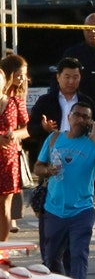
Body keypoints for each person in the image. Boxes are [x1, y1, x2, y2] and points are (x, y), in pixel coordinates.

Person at [33, 101, 95, 278]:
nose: (80, 119)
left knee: (79, 255)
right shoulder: (54, 138)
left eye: (85, 117)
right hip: (54, 210)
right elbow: (37, 167)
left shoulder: (94, 142)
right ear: (69, 117)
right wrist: (48, 170)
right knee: (52, 258)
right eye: (77, 115)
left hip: (82, 210)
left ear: (91, 122)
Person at [27, 57, 95, 263]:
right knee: (50, 226)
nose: (71, 81)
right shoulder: (46, 101)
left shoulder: (86, 103)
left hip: (79, 165)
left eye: (75, 77)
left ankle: (70, 265)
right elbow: (31, 130)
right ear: (58, 77)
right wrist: (44, 129)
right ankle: (49, 265)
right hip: (52, 164)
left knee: (76, 230)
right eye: (67, 76)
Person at [0, 55, 30, 235]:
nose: (22, 79)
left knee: (5, 206)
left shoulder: (16, 101)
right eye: (19, 75)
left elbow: (28, 128)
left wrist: (14, 136)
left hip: (8, 158)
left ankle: (2, 251)